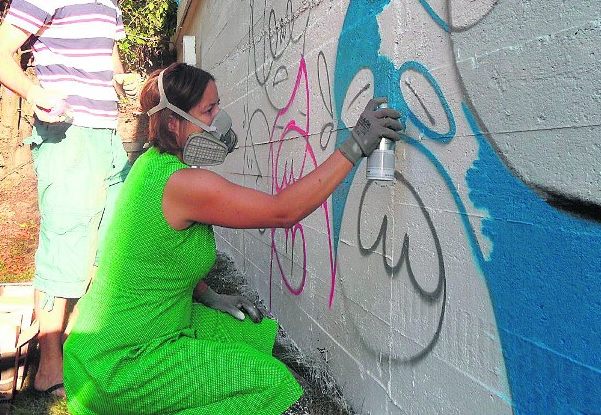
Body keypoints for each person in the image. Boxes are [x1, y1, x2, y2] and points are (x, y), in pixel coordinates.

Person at [62, 62, 403, 414]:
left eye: (217, 105)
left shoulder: (153, 163)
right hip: (121, 361)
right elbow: (282, 212)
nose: (219, 119)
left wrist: (209, 295)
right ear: (174, 122)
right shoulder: (183, 185)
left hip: (128, 335)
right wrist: (354, 146)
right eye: (208, 110)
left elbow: (157, 257)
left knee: (251, 335)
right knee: (270, 383)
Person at [0, 0, 143, 396]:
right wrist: (34, 93)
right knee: (65, 242)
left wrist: (126, 80)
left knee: (109, 240)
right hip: (67, 135)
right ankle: (49, 367)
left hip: (107, 135)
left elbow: (108, 54)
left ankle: (85, 339)